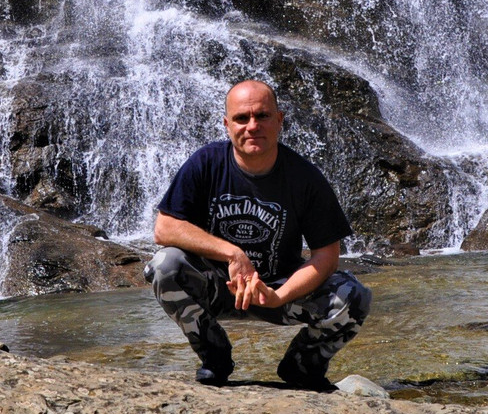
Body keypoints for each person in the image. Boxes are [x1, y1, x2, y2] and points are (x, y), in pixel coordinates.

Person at [144, 80, 371, 390]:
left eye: (262, 116)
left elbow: (326, 256)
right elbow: (164, 228)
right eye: (241, 118)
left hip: (280, 289)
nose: (252, 126)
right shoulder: (205, 163)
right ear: (227, 125)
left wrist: (279, 296)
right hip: (217, 288)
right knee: (163, 265)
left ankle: (302, 366)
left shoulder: (304, 177)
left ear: (279, 120)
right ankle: (214, 355)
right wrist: (233, 254)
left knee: (353, 296)